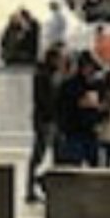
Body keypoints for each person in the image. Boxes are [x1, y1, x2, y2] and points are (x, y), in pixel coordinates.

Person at [25, 44, 65, 201]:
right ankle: (33, 185)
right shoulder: (44, 76)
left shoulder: (53, 75)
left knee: (57, 154)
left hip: (50, 119)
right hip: (46, 120)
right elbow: (45, 100)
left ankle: (42, 182)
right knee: (39, 154)